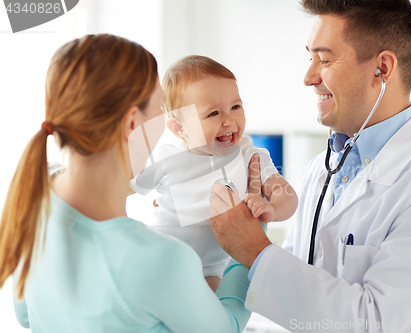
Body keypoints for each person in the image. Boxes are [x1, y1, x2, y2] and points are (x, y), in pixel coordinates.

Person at [208, 0, 411, 331]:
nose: (308, 77)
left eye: (325, 59)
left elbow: (374, 324)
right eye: (310, 58)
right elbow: (293, 298)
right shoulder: (323, 169)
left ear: (382, 68)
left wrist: (254, 250)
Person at [0, 34, 251, 332]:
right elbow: (227, 328)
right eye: (161, 109)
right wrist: (247, 244)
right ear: (133, 123)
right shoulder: (163, 260)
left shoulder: (35, 193)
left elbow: (26, 315)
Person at [130, 55, 298, 292]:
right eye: (213, 114)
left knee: (213, 312)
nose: (230, 120)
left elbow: (287, 195)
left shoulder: (249, 155)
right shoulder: (168, 159)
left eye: (235, 107)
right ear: (179, 128)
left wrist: (272, 208)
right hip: (161, 259)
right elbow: (124, 188)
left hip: (212, 271)